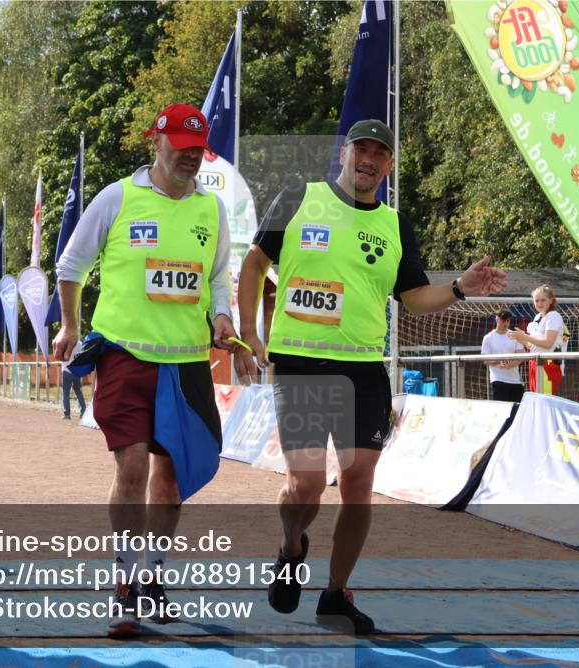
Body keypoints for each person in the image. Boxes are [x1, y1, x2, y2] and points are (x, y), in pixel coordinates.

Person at [233, 119, 507, 635]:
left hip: (363, 369)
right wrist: (250, 329)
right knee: (307, 485)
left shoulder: (395, 225)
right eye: (362, 149)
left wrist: (461, 287)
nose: (370, 159)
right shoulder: (299, 198)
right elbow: (253, 266)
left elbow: (415, 300)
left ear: (389, 165)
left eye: (381, 153)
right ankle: (292, 547)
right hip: (300, 363)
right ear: (344, 153)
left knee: (359, 485)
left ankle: (335, 595)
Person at [52, 103, 237, 638]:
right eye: (180, 144)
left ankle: (154, 577)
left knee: (173, 479)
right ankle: (126, 584)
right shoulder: (117, 197)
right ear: (155, 142)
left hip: (186, 364)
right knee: (131, 470)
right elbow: (70, 267)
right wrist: (68, 326)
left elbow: (219, 275)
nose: (189, 155)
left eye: (198, 147)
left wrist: (222, 315)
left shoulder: (211, 209)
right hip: (126, 356)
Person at [509, 284, 564, 395]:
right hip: (535, 362)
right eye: (536, 300)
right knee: (537, 398)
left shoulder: (553, 316)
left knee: (545, 400)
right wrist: (522, 340)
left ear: (551, 300)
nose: (539, 303)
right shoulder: (538, 317)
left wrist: (525, 336)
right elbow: (533, 346)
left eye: (543, 300)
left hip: (547, 363)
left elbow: (548, 343)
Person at [481, 310, 525, 402]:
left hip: (515, 380)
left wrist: (510, 364)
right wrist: (498, 361)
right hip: (498, 379)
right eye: (503, 320)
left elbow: (521, 356)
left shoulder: (513, 335)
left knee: (515, 411)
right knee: (501, 411)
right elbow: (484, 360)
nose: (506, 323)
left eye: (508, 321)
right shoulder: (488, 338)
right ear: (497, 319)